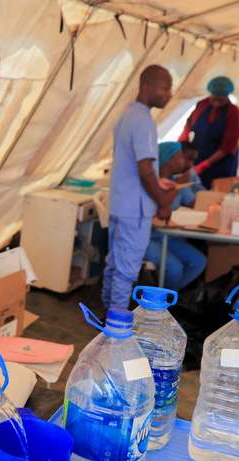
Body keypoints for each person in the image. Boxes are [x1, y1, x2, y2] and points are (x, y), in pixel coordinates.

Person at [102, 65, 177, 311]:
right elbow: (144, 169)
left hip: (120, 203)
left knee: (114, 264)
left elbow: (139, 168)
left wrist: (157, 180)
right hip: (135, 209)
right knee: (126, 270)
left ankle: (107, 314)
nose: (169, 94)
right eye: (165, 88)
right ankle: (115, 326)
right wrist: (163, 202)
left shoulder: (127, 115)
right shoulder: (144, 120)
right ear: (147, 86)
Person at [144, 142, 207, 290]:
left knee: (199, 261)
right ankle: (165, 303)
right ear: (167, 159)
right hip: (146, 238)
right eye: (179, 157)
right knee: (175, 268)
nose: (184, 162)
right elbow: (160, 209)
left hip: (168, 236)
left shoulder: (175, 181)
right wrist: (177, 186)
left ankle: (170, 297)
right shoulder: (151, 183)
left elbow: (194, 203)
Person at [179, 76, 239, 189]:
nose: (216, 101)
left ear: (227, 95)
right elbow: (188, 126)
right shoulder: (202, 105)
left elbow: (226, 148)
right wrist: (181, 148)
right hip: (198, 156)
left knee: (216, 193)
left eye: (221, 98)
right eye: (214, 97)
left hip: (221, 163)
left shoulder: (234, 113)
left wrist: (203, 165)